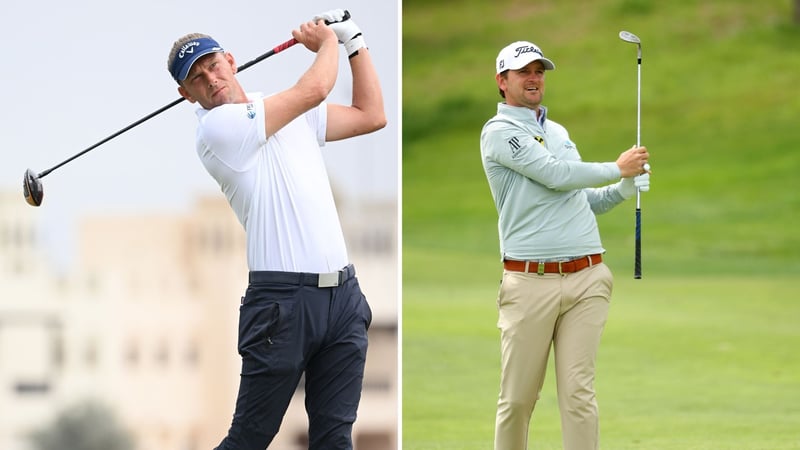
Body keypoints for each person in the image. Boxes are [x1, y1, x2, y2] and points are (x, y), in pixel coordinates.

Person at [166, 9, 385, 449]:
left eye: (213, 64)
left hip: (343, 298)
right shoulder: (217, 130)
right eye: (196, 78)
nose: (210, 79)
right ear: (185, 93)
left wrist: (355, 42)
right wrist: (328, 42)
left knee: (335, 438)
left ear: (231, 60)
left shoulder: (284, 112)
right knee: (250, 438)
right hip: (281, 305)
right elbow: (315, 88)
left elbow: (370, 114)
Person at [480, 41, 651, 450]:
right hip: (529, 282)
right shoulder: (499, 133)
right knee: (518, 399)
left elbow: (581, 197)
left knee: (579, 395)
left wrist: (624, 187)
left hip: (588, 278)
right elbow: (555, 174)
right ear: (502, 81)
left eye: (539, 71)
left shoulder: (557, 132)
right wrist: (615, 167)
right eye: (524, 72)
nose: (535, 78)